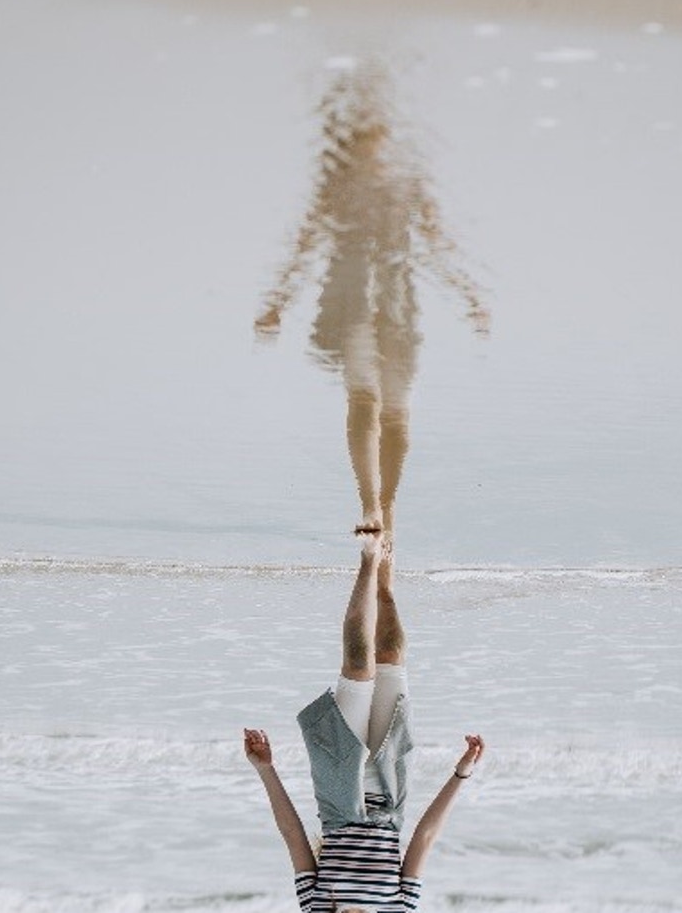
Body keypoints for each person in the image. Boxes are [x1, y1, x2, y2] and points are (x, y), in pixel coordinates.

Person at [254, 62, 490, 539]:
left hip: (399, 303)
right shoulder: (335, 182)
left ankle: (388, 504)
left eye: (374, 127)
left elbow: (436, 242)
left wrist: (469, 294)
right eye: (358, 128)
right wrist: (278, 299)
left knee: (397, 413)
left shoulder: (408, 181)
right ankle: (369, 505)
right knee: (364, 395)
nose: (368, 137)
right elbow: (307, 240)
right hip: (348, 301)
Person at [244, 532, 485, 911]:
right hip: (390, 795)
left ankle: (368, 561)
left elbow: (293, 835)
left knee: (358, 664)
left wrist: (266, 769)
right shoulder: (399, 909)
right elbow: (424, 838)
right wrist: (460, 775)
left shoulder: (316, 906)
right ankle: (384, 585)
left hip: (339, 795)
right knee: (391, 651)